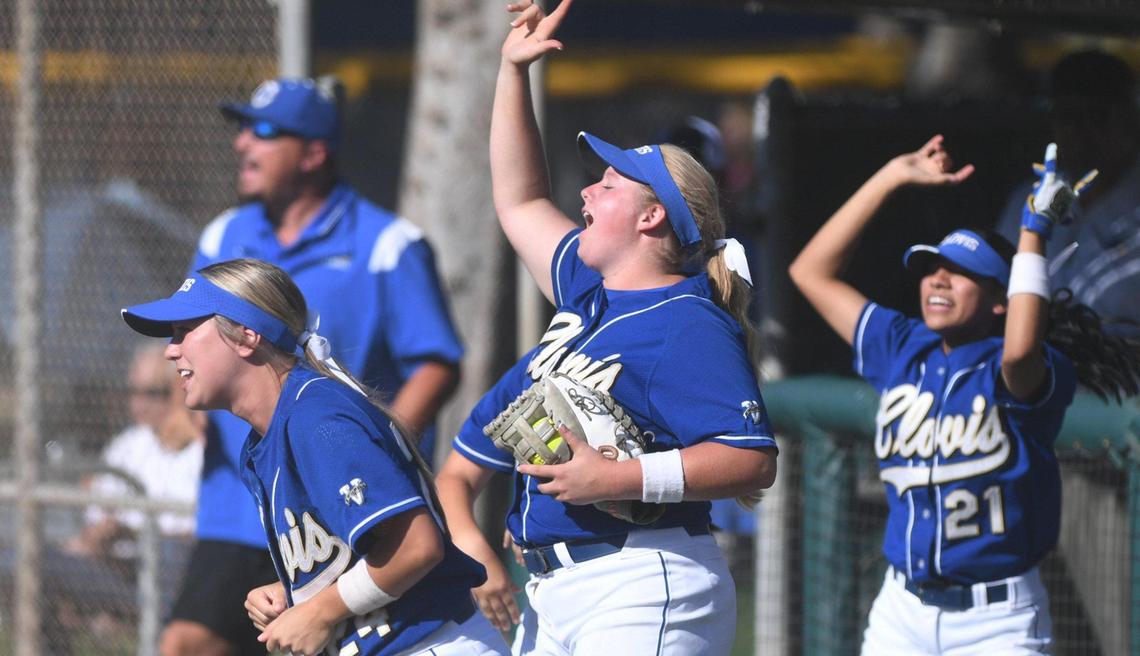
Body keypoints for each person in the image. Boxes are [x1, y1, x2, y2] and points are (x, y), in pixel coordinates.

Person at [435, 2, 778, 654]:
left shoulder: (689, 320)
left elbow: (751, 460)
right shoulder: (587, 296)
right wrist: (511, 72)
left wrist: (619, 480)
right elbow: (518, 199)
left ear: (652, 220)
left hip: (642, 579)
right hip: (554, 590)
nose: (588, 193)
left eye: (610, 184)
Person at [789, 135, 1140, 654]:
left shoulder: (1025, 369)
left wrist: (1032, 235)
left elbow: (1020, 350)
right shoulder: (902, 346)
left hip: (997, 621)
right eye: (931, 268)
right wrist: (892, 175)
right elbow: (809, 271)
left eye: (961, 272)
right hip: (900, 611)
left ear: (1002, 300)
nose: (938, 279)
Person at [164, 77, 465, 655]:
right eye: (242, 128)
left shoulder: (386, 243)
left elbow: (435, 361)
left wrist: (373, 443)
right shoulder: (226, 232)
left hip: (336, 484)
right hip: (241, 495)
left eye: (265, 131)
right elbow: (197, 333)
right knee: (197, 641)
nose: (243, 143)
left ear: (314, 151)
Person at [121, 258, 508, 656]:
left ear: (245, 337)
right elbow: (359, 554)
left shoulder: (314, 417)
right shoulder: (268, 437)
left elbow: (417, 546)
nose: (170, 352)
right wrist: (295, 592)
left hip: (433, 643)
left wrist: (320, 611)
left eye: (184, 331)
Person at [995, 50, 1140, 330]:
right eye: (1066, 115)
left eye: (1096, 116)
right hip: (1039, 363)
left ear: (1128, 118)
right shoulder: (1029, 198)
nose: (1078, 130)